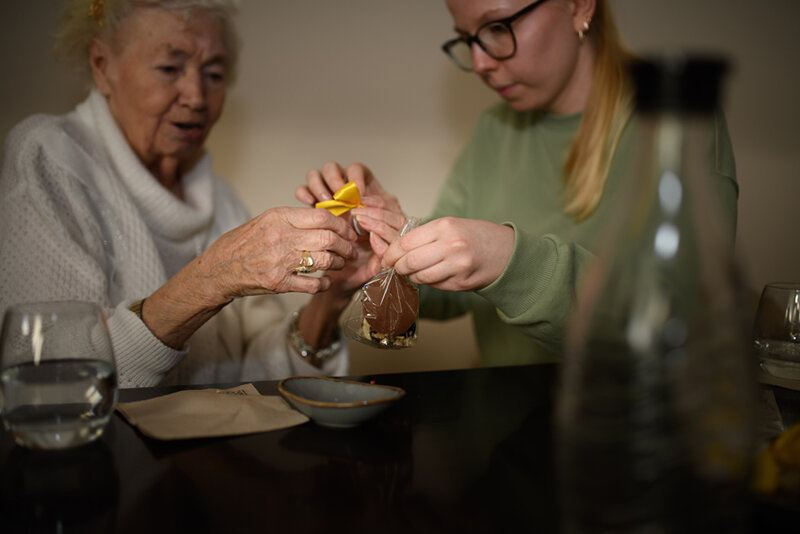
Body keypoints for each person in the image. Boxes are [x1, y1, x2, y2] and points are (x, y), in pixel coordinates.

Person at [296, 0, 738, 367]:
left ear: (580, 6)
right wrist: (388, 244)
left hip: (626, 440)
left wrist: (512, 262)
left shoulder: (672, 121)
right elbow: (457, 295)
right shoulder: (496, 129)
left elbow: (679, 324)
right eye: (469, 39)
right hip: (508, 440)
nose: (481, 62)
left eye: (497, 27)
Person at [0, 0, 387, 387]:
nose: (196, 97)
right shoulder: (49, 159)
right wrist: (214, 276)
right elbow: (48, 384)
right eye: (169, 68)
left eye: (214, 74)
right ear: (102, 66)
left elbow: (258, 381)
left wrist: (329, 300)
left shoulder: (218, 198)